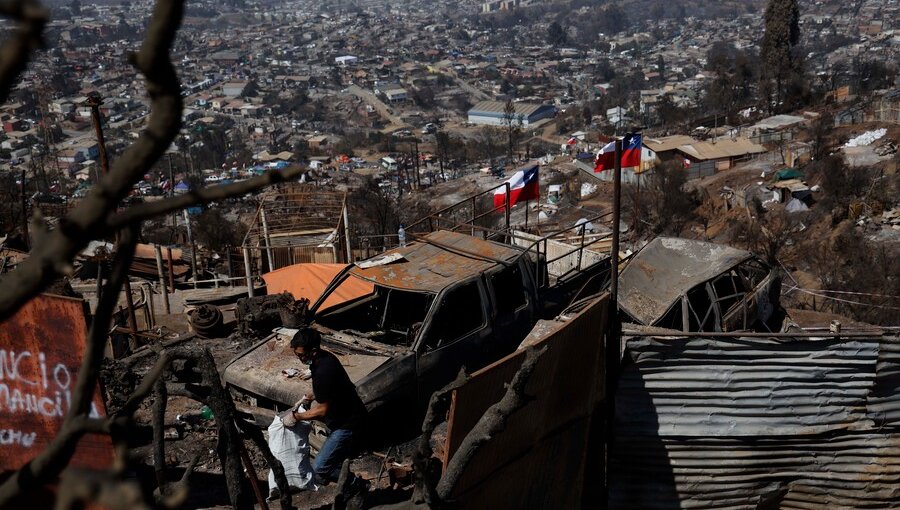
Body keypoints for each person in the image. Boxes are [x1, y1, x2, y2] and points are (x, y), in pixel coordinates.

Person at [281, 328, 367, 485]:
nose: (299, 358)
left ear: (313, 351)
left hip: (346, 424)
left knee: (320, 468)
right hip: (339, 418)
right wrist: (314, 395)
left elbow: (323, 409)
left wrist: (296, 417)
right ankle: (348, 488)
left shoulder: (323, 371)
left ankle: (357, 485)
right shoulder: (324, 359)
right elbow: (335, 388)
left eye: (301, 355)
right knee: (334, 463)